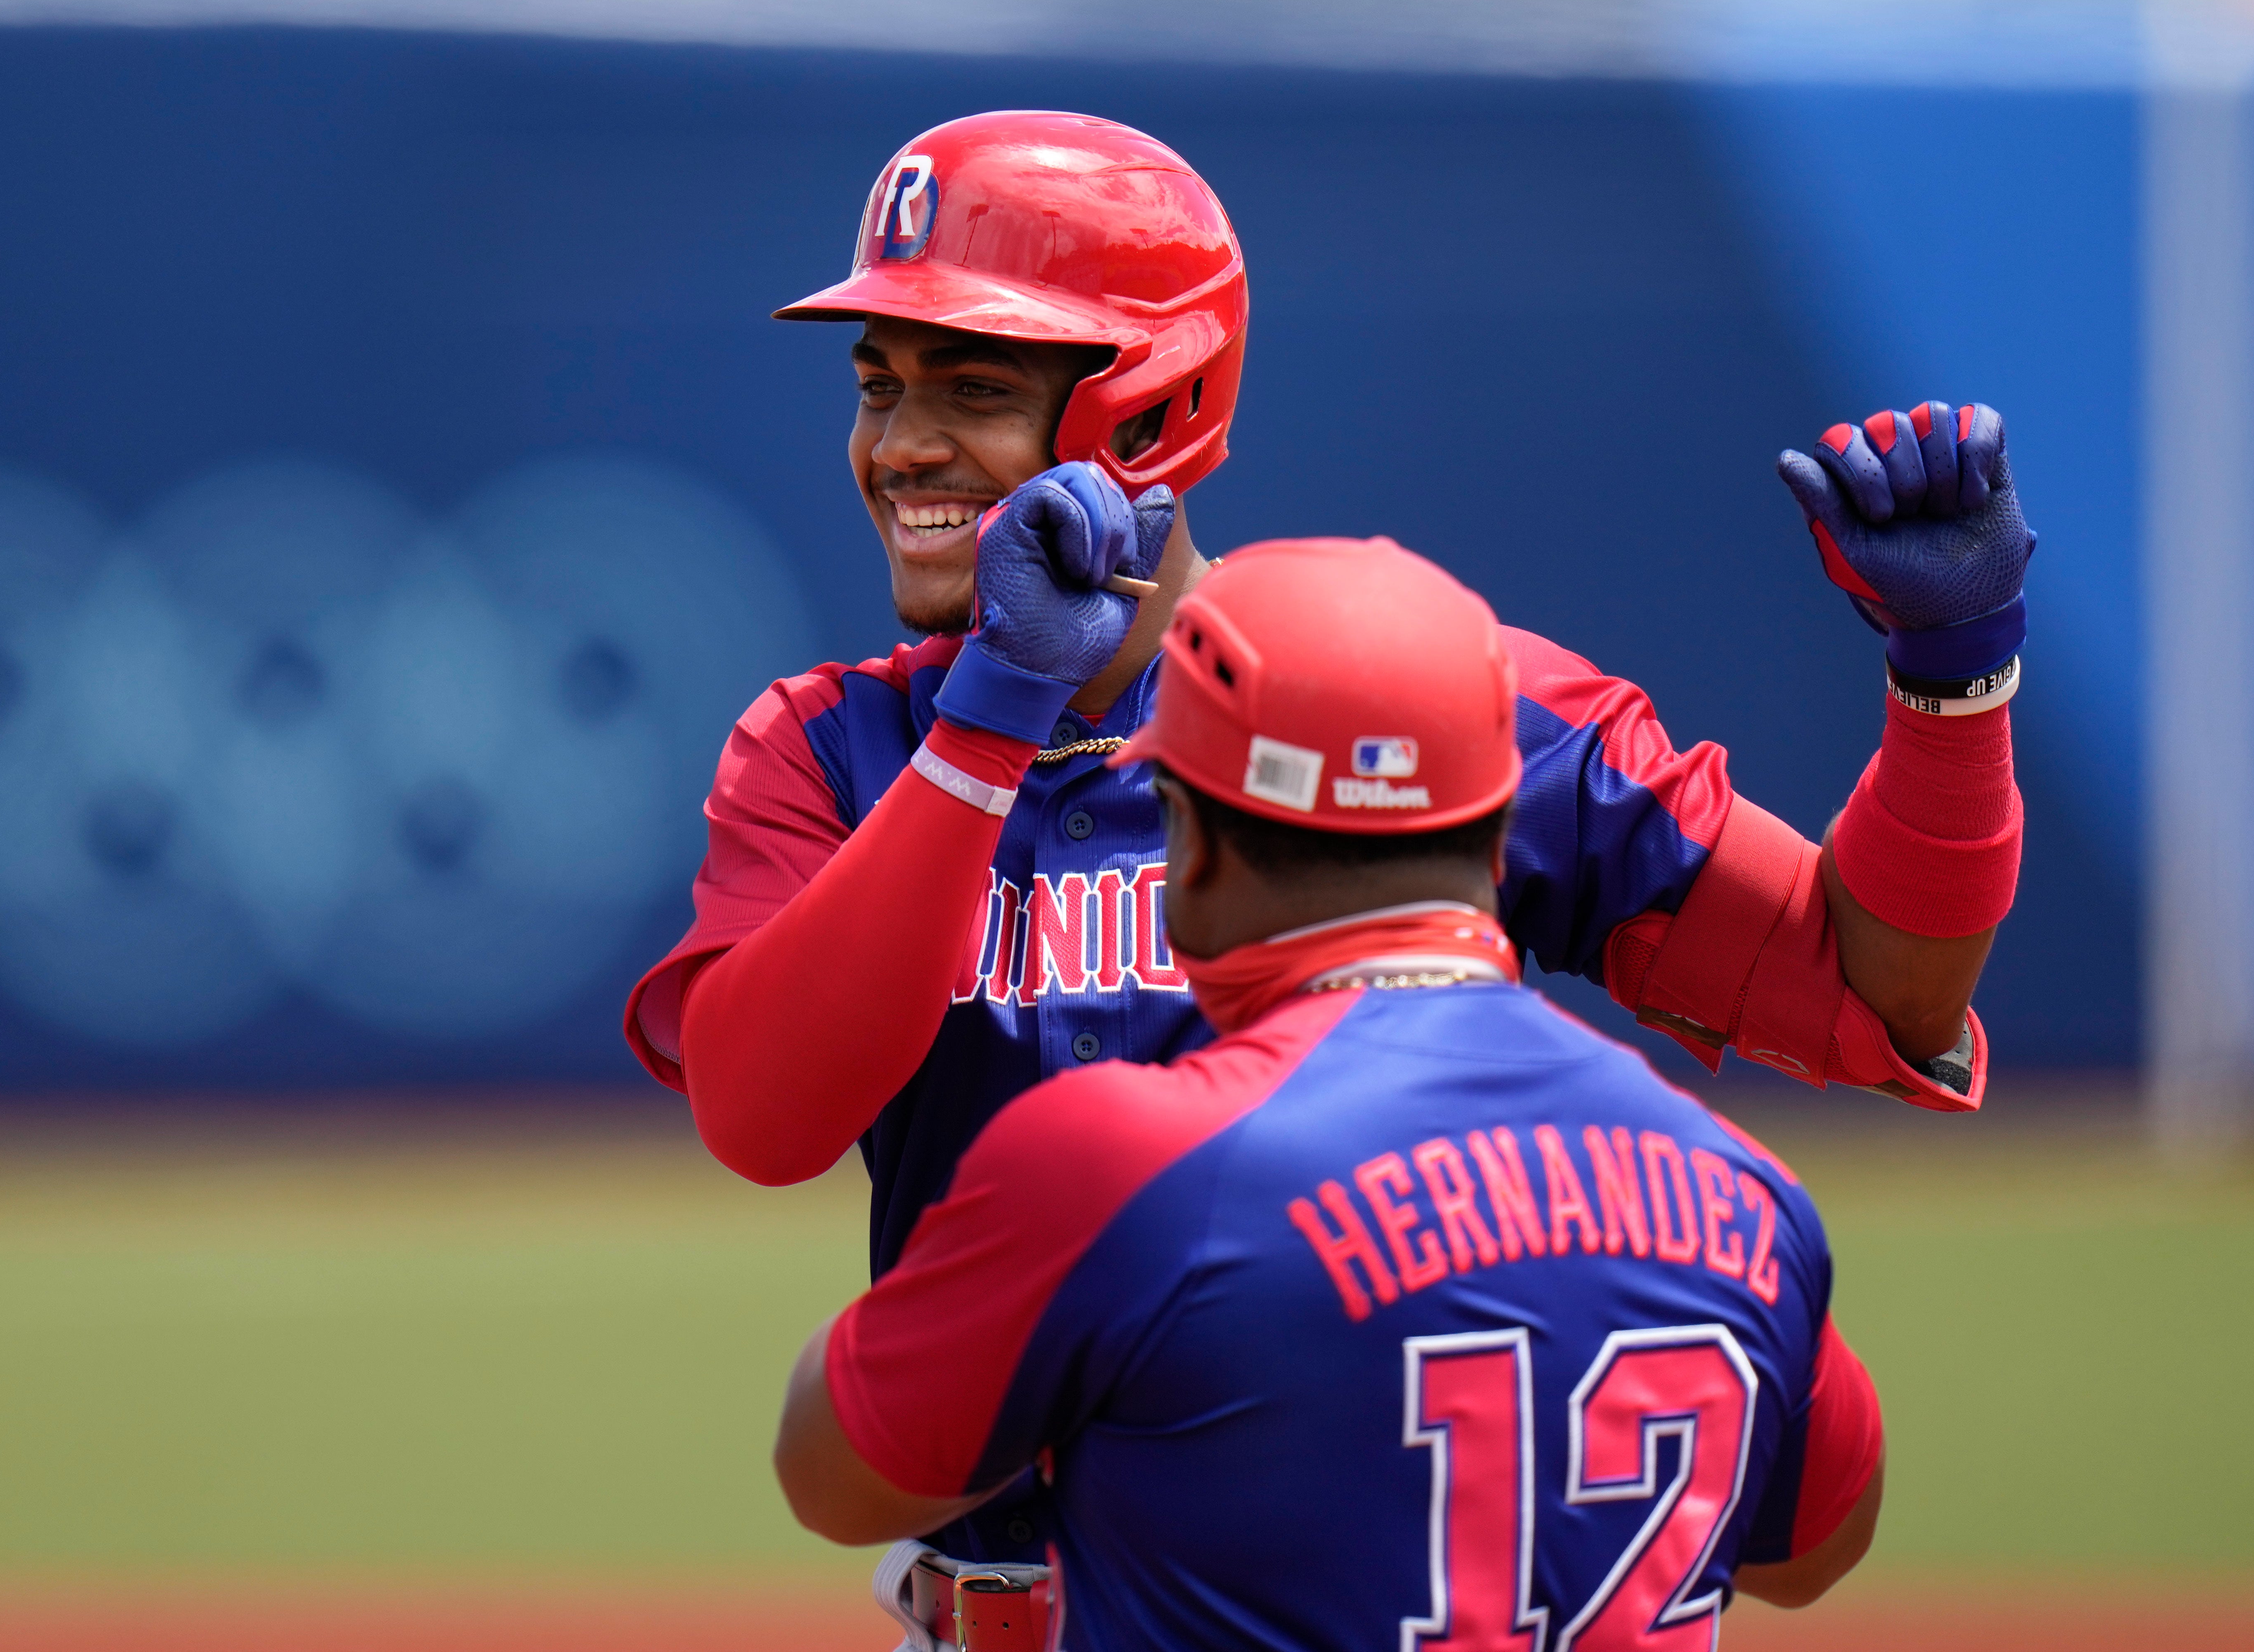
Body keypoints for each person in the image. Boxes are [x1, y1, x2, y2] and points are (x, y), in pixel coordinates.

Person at [625, 111, 2022, 1570]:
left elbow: (1878, 995)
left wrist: (1950, 692)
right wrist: (988, 724)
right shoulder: (830, 746)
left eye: (972, 386)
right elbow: (764, 1118)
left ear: (1150, 403)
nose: (901, 444)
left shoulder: (1425, 707)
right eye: (877, 386)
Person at [773, 538, 1884, 1652]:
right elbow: (1814, 1549)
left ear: (1193, 848)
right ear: (1498, 828)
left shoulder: (1125, 1164)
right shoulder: (1742, 1192)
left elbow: (837, 1478)